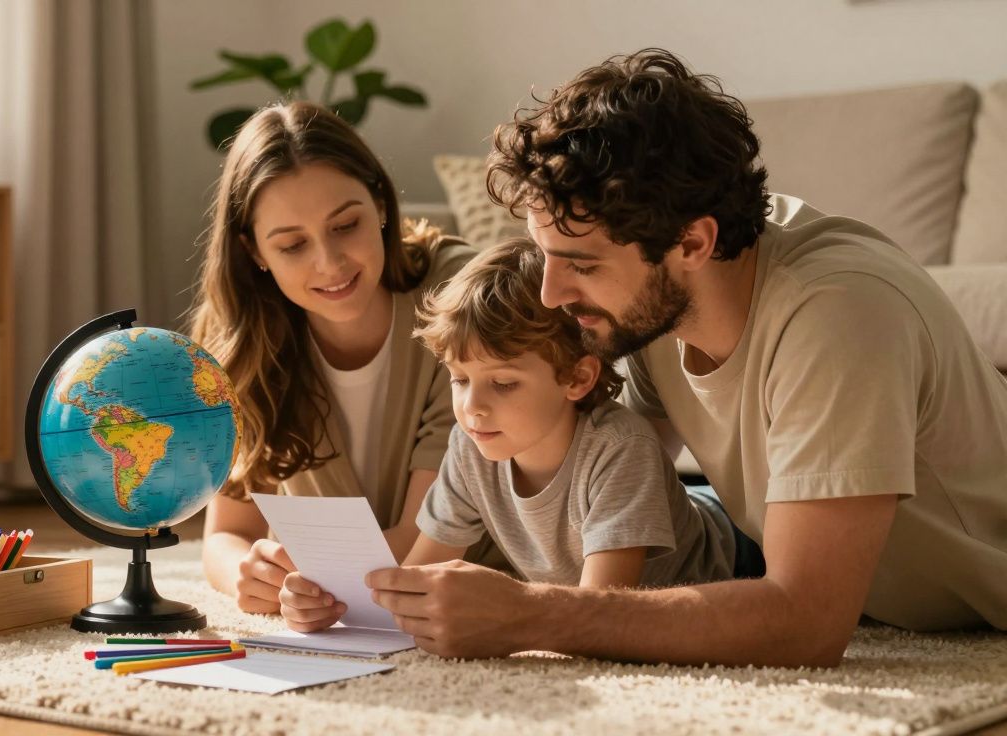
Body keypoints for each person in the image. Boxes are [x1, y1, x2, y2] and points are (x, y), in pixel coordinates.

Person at [366, 48, 1007, 666]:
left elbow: (807, 622)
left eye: (582, 263)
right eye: (547, 253)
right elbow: (604, 480)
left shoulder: (837, 314)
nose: (551, 293)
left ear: (693, 243)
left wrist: (533, 614)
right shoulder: (654, 307)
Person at [280, 238, 745, 633]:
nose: (472, 406)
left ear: (578, 378)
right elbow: (414, 579)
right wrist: (333, 606)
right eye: (460, 380)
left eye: (503, 383)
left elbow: (598, 612)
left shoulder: (620, 450)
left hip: (738, 543)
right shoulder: (471, 447)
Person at [189, 100, 504, 618]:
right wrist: (251, 575)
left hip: (470, 580)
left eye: (345, 225)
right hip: (345, 591)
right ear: (255, 253)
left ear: (380, 204)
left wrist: (315, 587)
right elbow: (226, 533)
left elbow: (426, 537)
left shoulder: (458, 297)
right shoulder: (248, 344)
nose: (330, 263)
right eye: (291, 245)